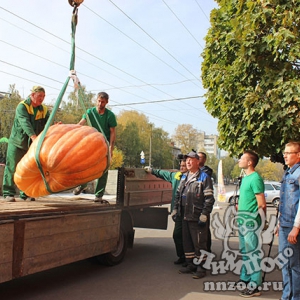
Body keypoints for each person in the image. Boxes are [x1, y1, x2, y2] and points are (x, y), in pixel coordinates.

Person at [2, 86, 50, 202]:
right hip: (17, 143)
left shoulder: (43, 109)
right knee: (12, 167)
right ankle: (8, 193)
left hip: (31, 145)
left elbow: (48, 123)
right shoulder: (22, 107)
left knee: (28, 169)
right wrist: (34, 137)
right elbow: (25, 123)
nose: (41, 99)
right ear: (32, 95)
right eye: (39, 96)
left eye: (43, 97)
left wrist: (55, 126)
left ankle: (26, 193)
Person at [173, 151, 215, 279]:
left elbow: (209, 199)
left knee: (199, 244)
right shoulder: (184, 177)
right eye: (187, 160)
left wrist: (204, 214)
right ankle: (191, 264)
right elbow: (178, 195)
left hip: (197, 217)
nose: (188, 162)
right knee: (188, 243)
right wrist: (175, 210)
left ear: (198, 162)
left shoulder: (204, 177)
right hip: (185, 216)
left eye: (191, 160)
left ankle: (201, 268)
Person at [73, 92, 117, 203]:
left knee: (103, 169)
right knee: (85, 165)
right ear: (96, 100)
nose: (100, 103)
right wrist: (70, 130)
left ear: (106, 102)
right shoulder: (90, 112)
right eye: (98, 101)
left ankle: (99, 195)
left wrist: (111, 147)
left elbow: (112, 132)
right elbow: (80, 124)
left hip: (103, 145)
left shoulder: (110, 115)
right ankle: (82, 185)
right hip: (91, 144)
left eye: (102, 102)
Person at [145, 160, 188, 265]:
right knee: (177, 235)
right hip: (178, 212)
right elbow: (163, 174)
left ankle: (190, 260)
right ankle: (182, 256)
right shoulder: (176, 176)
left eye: (184, 166)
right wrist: (152, 171)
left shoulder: (191, 178)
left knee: (188, 237)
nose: (182, 168)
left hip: (189, 212)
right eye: (181, 166)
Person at [236, 150, 266, 298]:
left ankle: (255, 285)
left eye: (242, 158)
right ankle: (245, 278)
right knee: (245, 252)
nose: (239, 160)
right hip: (242, 220)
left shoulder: (255, 178)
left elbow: (261, 204)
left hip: (251, 222)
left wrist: (262, 222)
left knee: (253, 253)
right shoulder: (245, 177)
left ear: (250, 162)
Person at [277, 141, 300, 300]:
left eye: (288, 152)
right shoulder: (288, 173)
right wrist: (278, 223)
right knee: (284, 263)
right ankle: (287, 296)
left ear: (298, 155)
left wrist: (296, 227)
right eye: (284, 152)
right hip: (284, 225)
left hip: (293, 226)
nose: (284, 155)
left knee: (295, 265)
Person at [198, 151, 213, 252]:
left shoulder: (206, 171)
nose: (197, 159)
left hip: (203, 206)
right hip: (193, 205)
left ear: (204, 160)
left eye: (199, 157)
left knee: (204, 230)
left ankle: (207, 251)